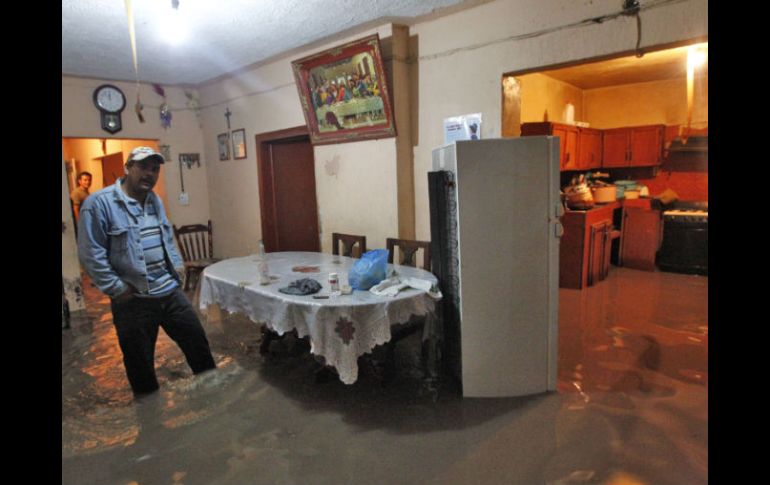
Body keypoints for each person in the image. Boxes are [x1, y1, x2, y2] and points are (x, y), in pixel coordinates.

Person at [77, 146, 216, 397]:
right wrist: (117, 289)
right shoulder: (98, 204)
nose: (150, 174)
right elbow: (90, 254)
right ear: (128, 167)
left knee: (198, 344)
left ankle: (215, 400)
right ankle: (151, 420)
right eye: (143, 166)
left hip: (169, 292)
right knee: (140, 364)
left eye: (155, 169)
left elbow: (166, 237)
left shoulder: (153, 200)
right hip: (134, 299)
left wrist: (178, 268)